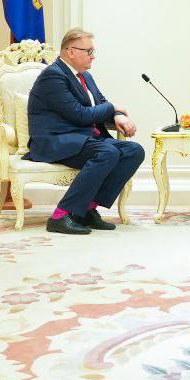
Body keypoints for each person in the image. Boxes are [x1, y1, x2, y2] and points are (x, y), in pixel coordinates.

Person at [24, 28, 144, 235]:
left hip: (82, 139)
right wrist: (114, 107)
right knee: (107, 152)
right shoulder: (53, 76)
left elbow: (101, 103)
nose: (93, 56)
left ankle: (87, 209)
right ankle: (60, 216)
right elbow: (79, 115)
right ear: (71, 51)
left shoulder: (85, 76)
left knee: (134, 151)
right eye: (89, 51)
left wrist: (117, 115)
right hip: (56, 141)